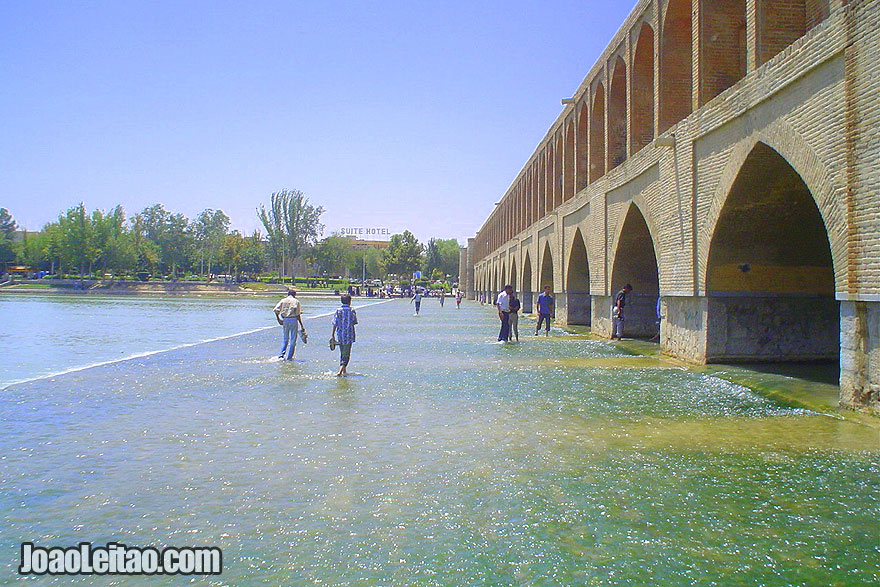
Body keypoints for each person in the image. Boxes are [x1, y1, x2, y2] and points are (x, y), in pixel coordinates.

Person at [273, 289, 305, 360]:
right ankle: (289, 357)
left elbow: (276, 310)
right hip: (293, 319)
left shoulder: (283, 300)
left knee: (285, 339)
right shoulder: (296, 301)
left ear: (288, 294)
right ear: (294, 295)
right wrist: (302, 326)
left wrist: (278, 319)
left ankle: (281, 355)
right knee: (293, 339)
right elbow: (298, 314)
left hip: (285, 319)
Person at [330, 294, 358, 377]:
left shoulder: (338, 310)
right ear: (350, 301)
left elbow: (335, 323)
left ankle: (344, 371)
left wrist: (332, 335)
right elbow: (355, 321)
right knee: (347, 354)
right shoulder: (352, 310)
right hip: (349, 335)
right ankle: (340, 371)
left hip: (340, 334)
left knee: (342, 352)